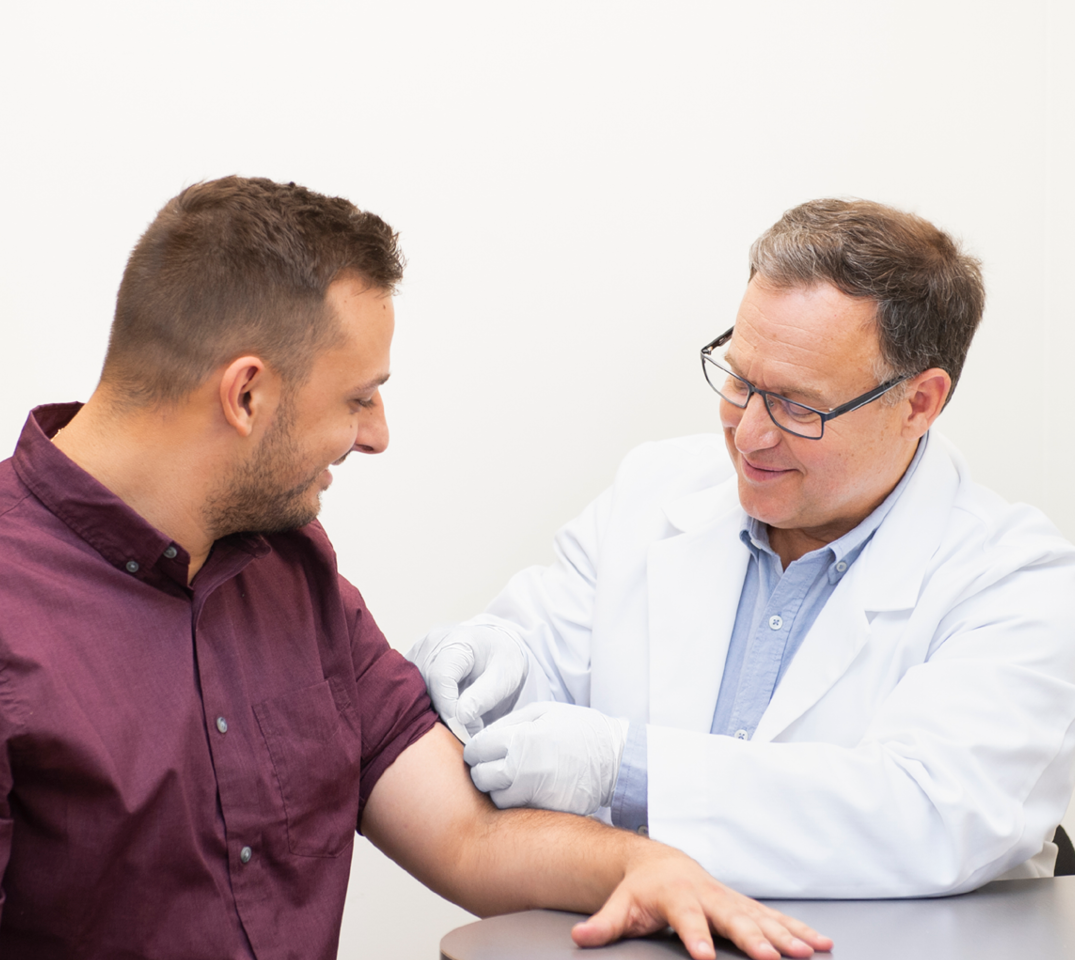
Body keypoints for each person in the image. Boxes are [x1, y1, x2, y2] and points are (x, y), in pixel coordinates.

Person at [0, 178, 830, 960]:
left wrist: (640, 864)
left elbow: (464, 834)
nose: (376, 435)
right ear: (246, 395)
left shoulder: (290, 571)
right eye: (357, 398)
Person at [412, 198, 1075, 901]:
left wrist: (628, 770)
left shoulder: (1018, 582)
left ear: (919, 403)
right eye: (740, 381)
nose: (749, 434)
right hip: (634, 951)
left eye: (798, 405)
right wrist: (495, 660)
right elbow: (546, 665)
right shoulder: (655, 490)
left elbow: (931, 815)